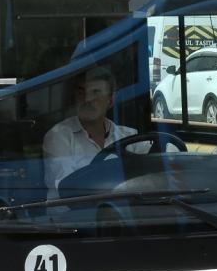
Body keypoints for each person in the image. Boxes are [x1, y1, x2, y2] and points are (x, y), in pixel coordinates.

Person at [43, 66, 146, 194]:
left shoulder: (129, 136)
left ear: (111, 100)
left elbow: (161, 166)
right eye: (81, 93)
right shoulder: (59, 136)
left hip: (121, 211)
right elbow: (68, 187)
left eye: (96, 92)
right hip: (73, 213)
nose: (87, 100)